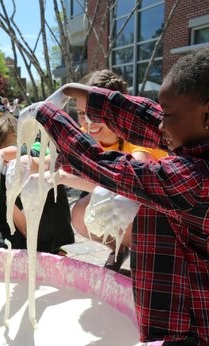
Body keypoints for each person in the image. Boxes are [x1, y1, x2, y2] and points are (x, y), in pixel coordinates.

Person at [25, 45, 209, 346]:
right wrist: (82, 95)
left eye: (169, 114)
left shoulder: (198, 177)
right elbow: (148, 117)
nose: (161, 123)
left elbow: (107, 166)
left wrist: (50, 117)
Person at [64, 70, 167, 271]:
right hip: (137, 203)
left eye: (95, 114)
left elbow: (127, 181)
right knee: (79, 213)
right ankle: (119, 248)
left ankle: (145, 261)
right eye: (82, 114)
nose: (89, 122)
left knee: (123, 204)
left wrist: (59, 178)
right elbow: (55, 158)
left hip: (164, 215)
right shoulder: (88, 133)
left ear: (118, 112)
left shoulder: (137, 137)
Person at [0, 113, 74, 254]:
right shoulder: (4, 167)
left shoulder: (38, 150)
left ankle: (50, 250)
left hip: (46, 232)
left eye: (10, 148)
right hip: (19, 230)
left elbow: (25, 153)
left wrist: (1, 154)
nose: (7, 158)